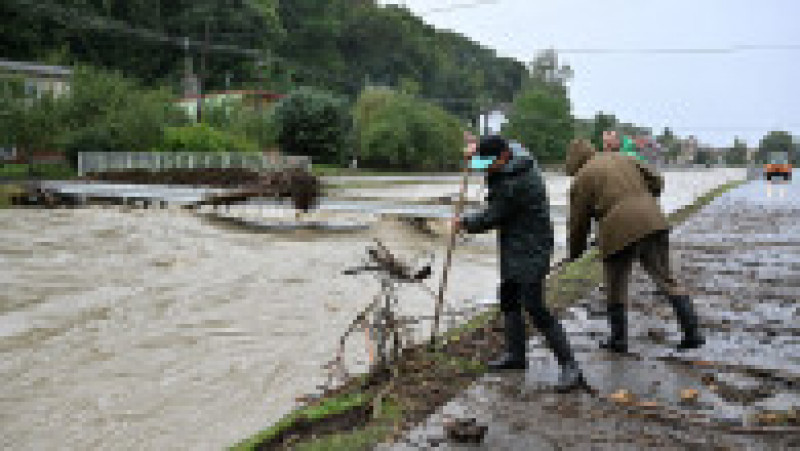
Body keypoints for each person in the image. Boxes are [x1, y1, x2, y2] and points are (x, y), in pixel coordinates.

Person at [452, 135, 585, 392]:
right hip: (514, 240)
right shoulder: (514, 151)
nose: (483, 168)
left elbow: (492, 216)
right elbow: (501, 147)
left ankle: (571, 366)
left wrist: (464, 223)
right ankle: (516, 356)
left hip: (533, 245)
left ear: (502, 158)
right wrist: (475, 151)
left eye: (487, 164)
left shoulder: (515, 183)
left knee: (535, 306)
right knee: (509, 296)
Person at [565, 138, 704, 353]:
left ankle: (619, 340)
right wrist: (645, 199)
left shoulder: (582, 178)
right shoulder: (625, 158)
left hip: (616, 230)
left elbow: (578, 223)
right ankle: (693, 333)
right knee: (666, 279)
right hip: (654, 221)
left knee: (615, 284)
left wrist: (574, 254)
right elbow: (657, 180)